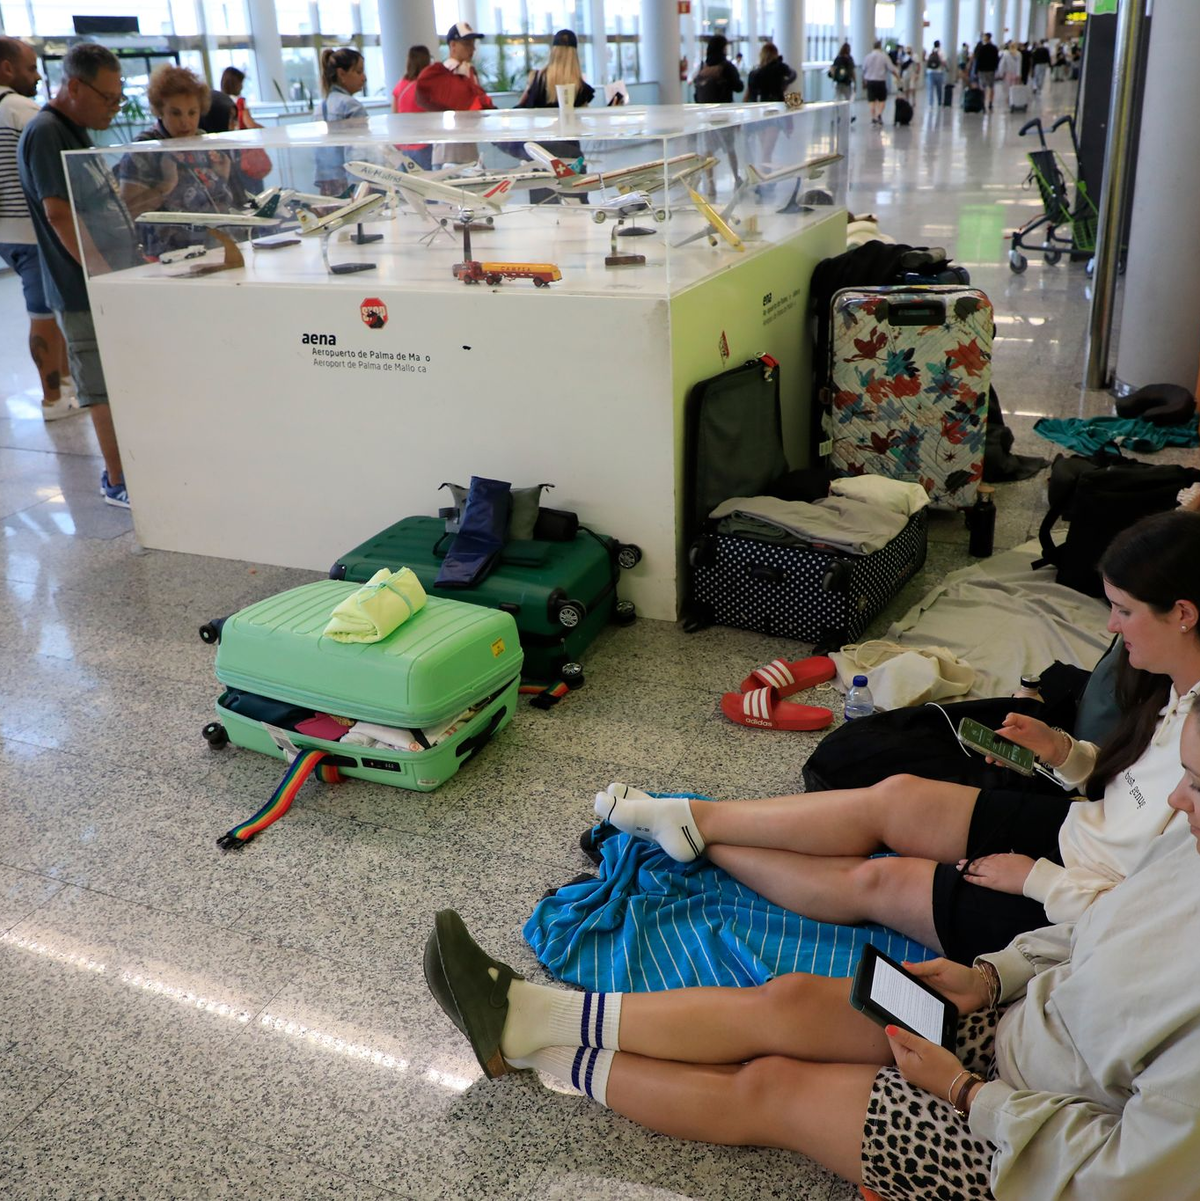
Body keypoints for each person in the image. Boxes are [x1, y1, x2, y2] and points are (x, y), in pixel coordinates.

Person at [424, 703, 1200, 1200]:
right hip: (1025, 1035)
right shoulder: (1188, 852)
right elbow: (1094, 931)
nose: (1173, 797)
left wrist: (966, 1094)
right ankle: (529, 1017)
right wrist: (991, 973)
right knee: (791, 999)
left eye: (1194, 781)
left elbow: (1120, 1177)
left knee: (775, 1090)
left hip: (1033, 1158)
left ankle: (535, 1051)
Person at [589, 510, 1200, 966]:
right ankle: (694, 818)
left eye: (1123, 610)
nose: (1112, 626)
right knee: (899, 795)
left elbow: (1159, 913)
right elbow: (1136, 791)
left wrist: (1036, 879)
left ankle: (698, 838)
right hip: (1083, 832)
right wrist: (1065, 754)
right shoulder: (1170, 688)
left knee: (881, 881)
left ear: (1182, 613)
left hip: (1088, 913)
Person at [17, 41, 142, 508]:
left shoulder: (76, 131)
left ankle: (134, 468)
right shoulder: (47, 132)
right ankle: (117, 480)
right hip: (81, 289)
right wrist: (101, 274)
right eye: (108, 98)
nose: (114, 107)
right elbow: (58, 214)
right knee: (100, 386)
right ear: (73, 86)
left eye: (118, 99)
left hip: (106, 282)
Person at [0, 36, 74, 422]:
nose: (36, 77)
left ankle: (64, 385)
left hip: (5, 235)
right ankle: (53, 398)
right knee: (43, 312)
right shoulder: (22, 110)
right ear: (7, 68)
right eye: (30, 68)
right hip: (32, 229)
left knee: (48, 306)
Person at [114, 65, 237, 260]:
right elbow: (129, 212)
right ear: (159, 110)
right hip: (170, 258)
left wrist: (222, 176)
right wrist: (165, 186)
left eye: (192, 112)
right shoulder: (144, 149)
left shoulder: (202, 142)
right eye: (176, 113)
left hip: (216, 248)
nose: (186, 123)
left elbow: (219, 201)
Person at [514, 29, 594, 204]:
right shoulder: (581, 88)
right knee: (575, 205)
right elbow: (580, 124)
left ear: (553, 50)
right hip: (570, 152)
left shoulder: (537, 79)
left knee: (544, 207)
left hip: (541, 153)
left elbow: (522, 110)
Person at [415, 20, 494, 167]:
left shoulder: (468, 71)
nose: (472, 49)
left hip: (466, 150)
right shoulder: (444, 74)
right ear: (453, 45)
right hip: (447, 152)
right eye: (467, 44)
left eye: (473, 44)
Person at [692, 34, 743, 197]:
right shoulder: (726, 66)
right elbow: (739, 86)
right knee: (730, 148)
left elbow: (695, 90)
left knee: (708, 150)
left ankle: (711, 185)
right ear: (723, 48)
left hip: (707, 115)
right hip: (724, 113)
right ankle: (736, 178)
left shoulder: (703, 65)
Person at [314, 46, 367, 196]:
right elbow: (358, 151)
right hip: (350, 183)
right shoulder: (351, 105)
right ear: (341, 74)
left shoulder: (321, 107)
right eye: (358, 71)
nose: (364, 77)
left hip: (327, 183)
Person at [392, 44, 433, 171]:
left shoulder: (400, 85)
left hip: (403, 145)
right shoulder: (425, 87)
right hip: (423, 144)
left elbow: (395, 115)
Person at [860, 40, 896, 126]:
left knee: (871, 100)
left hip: (870, 81)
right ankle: (879, 114)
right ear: (880, 47)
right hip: (880, 81)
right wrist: (897, 76)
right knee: (882, 99)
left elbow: (863, 69)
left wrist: (864, 80)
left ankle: (873, 117)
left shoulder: (867, 57)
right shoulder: (884, 56)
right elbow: (891, 68)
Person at [970, 32, 1000, 111]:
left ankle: (983, 103)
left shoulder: (982, 48)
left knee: (982, 87)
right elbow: (997, 60)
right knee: (991, 87)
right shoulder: (994, 48)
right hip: (991, 70)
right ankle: (990, 103)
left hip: (982, 70)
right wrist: (996, 69)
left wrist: (975, 71)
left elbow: (978, 60)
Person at [924, 39, 946, 106]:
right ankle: (939, 102)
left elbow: (926, 61)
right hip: (939, 72)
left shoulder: (930, 52)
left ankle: (931, 103)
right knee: (939, 89)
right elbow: (944, 62)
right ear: (939, 45)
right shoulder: (942, 52)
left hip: (930, 72)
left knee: (930, 89)